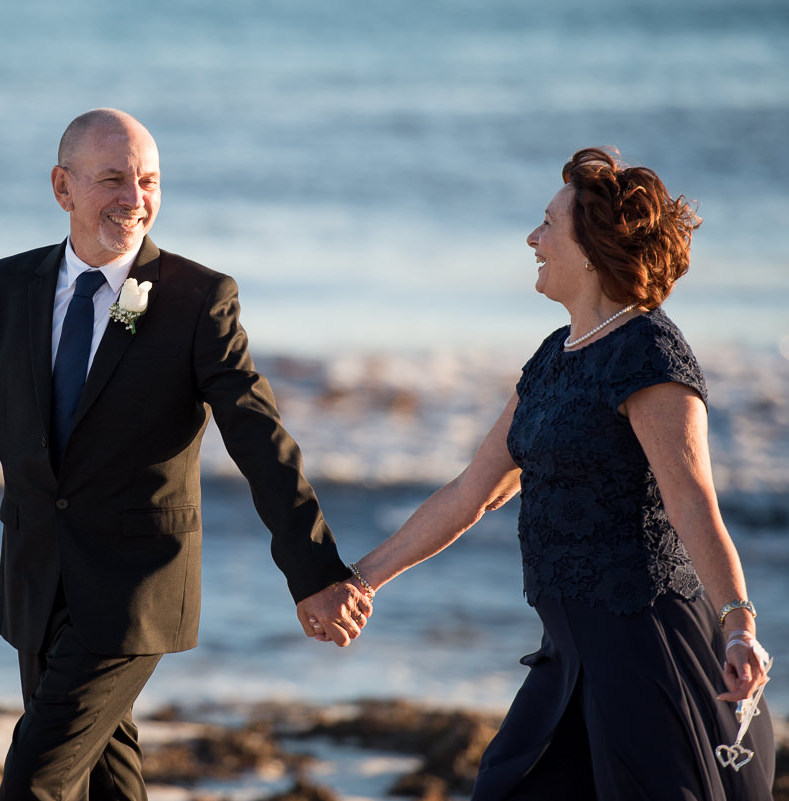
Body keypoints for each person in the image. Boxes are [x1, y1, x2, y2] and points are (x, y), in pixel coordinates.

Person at [0, 108, 373, 801]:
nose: (135, 199)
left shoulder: (200, 299)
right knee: (109, 781)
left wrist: (315, 569)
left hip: (137, 588)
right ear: (63, 187)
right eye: (113, 179)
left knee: (35, 781)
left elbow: (258, 437)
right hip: (37, 579)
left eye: (149, 180)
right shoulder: (3, 289)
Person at [332, 148, 774, 799]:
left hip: (646, 650)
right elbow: (472, 491)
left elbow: (692, 503)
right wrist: (361, 578)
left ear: (592, 248)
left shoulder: (649, 354)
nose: (532, 238)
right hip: (569, 655)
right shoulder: (554, 357)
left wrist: (739, 624)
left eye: (547, 224)